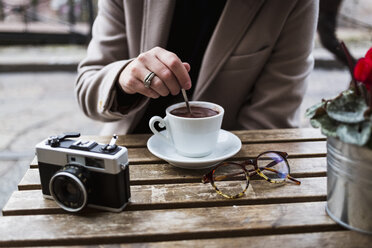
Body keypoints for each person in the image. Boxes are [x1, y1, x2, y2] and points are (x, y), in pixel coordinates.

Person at [76, 0, 319, 135]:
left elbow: (269, 126)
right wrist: (123, 79)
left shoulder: (290, 5)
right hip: (129, 157)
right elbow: (87, 92)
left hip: (226, 170)